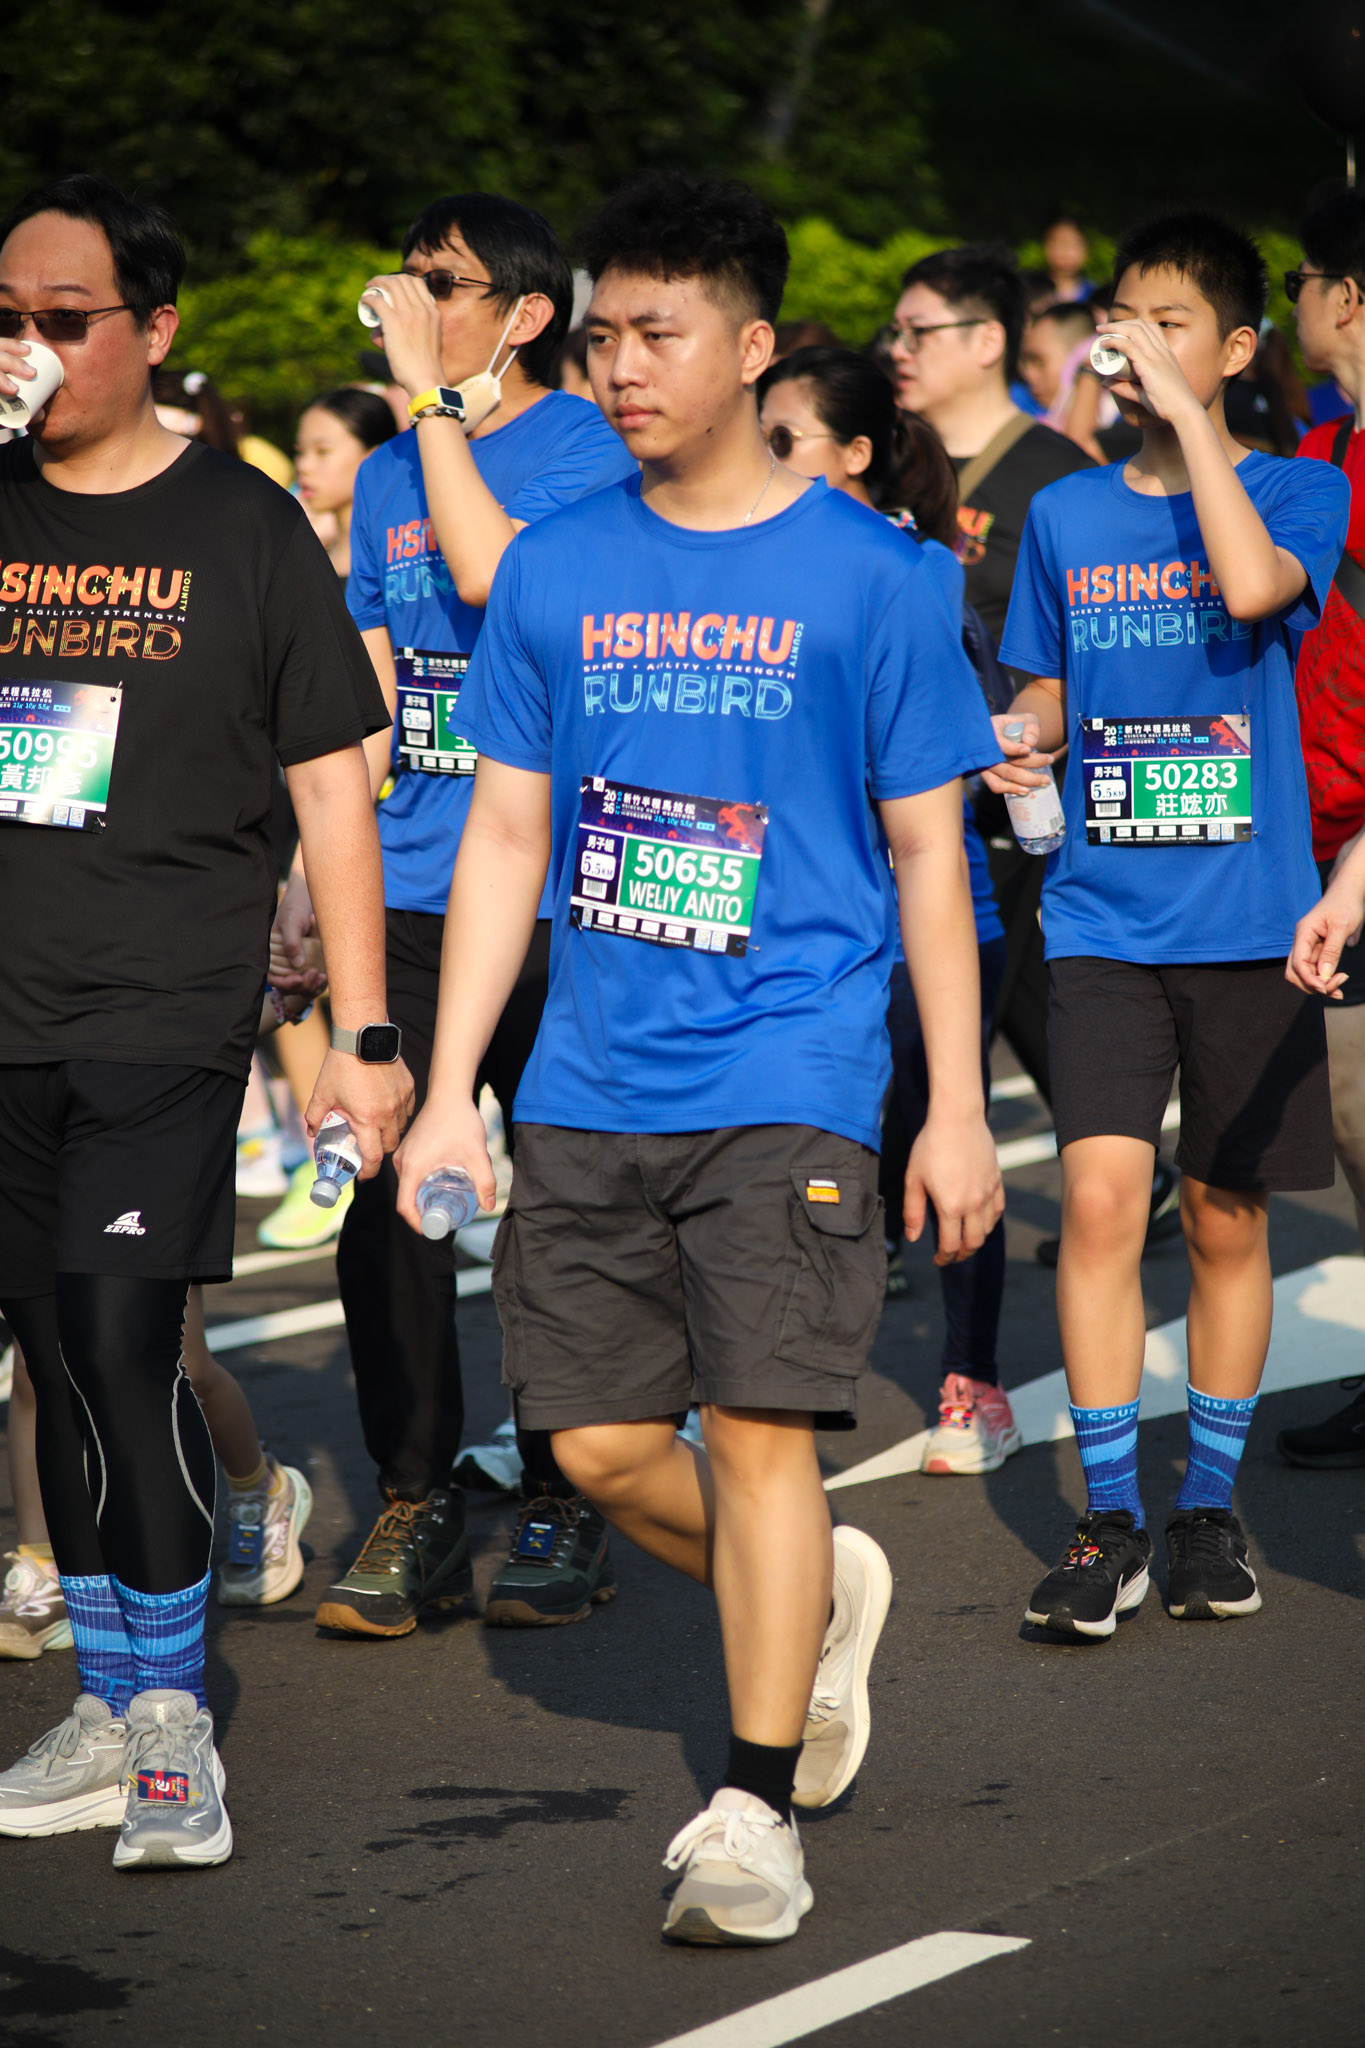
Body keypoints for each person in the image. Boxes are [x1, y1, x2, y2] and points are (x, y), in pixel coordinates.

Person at [393, 170, 1002, 1947]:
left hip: (792, 1062)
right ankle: (813, 1596)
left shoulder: (874, 577)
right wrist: (451, 1085)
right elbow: (508, 835)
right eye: (603, 337)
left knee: (755, 1429)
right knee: (590, 1445)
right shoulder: (557, 564)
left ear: (751, 348)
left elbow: (928, 857)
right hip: (588, 1074)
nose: (621, 367)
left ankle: (754, 1806)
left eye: (657, 334)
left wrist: (955, 1108)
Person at [0, 173, 409, 1868]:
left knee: (120, 1339)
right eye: (3, 320)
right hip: (9, 1012)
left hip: (165, 1007)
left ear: (155, 330)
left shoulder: (240, 526)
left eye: (62, 320)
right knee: (50, 1354)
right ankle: (107, 1701)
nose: (27, 349)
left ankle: (172, 1719)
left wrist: (366, 1037)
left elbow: (332, 783)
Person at [272, 191, 637, 1638]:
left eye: (445, 283)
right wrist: (312, 875)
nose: (411, 300)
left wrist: (430, 401)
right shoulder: (381, 476)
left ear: (527, 316)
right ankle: (415, 1497)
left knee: (563, 1204)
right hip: (418, 884)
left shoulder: (587, 449)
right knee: (386, 1195)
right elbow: (370, 697)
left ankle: (565, 1492)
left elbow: (494, 576)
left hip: (565, 891)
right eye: (408, 277)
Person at [986, 210, 1349, 1639]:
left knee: (1223, 1212)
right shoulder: (1067, 515)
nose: (1130, 342)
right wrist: (1023, 734)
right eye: (1118, 320)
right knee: (1095, 1203)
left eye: (1168, 322)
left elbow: (1256, 590)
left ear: (1238, 348)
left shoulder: (1296, 489)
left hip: (1252, 918)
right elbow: (1049, 687)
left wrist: (1194, 422)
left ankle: (1205, 1506)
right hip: (1100, 918)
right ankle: (1108, 1520)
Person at [756, 346, 1019, 1473]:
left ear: (858, 454)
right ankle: (753, 1390)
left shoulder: (913, 572)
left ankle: (973, 1380)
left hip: (924, 919)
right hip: (789, 919)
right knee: (789, 1156)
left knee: (941, 1142)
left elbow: (954, 764)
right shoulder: (737, 568)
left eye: (784, 440)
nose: (760, 459)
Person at [1276, 188, 1365, 1469]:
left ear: (1347, 297)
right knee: (1351, 1120)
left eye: (1299, 278)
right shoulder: (1319, 449)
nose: (1290, 296)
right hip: (1321, 834)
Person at [293, 387, 397, 584]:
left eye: (322, 451)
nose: (303, 466)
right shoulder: (304, 563)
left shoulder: (403, 565)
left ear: (375, 456)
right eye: (300, 452)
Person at [1041, 211, 1093, 305]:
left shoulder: (1095, 296)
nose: (1066, 251)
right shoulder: (1029, 293)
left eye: (1073, 244)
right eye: (1059, 242)